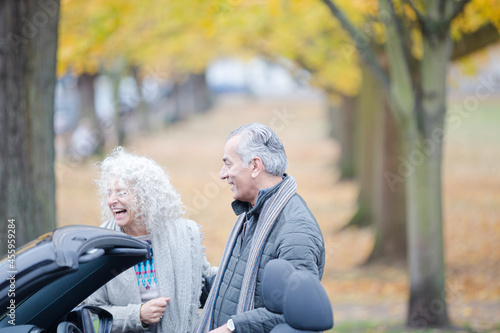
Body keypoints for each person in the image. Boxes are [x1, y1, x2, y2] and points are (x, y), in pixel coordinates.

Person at [194, 123, 325, 333]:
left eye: (228, 164)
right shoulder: (253, 215)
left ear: (255, 166)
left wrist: (232, 327)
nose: (222, 174)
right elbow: (233, 285)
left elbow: (297, 311)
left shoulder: (295, 230)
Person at [85, 147, 216, 333]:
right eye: (109, 193)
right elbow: (91, 316)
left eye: (121, 193)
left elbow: (202, 283)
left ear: (145, 195)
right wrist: (137, 315)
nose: (111, 200)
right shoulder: (100, 243)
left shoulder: (184, 234)